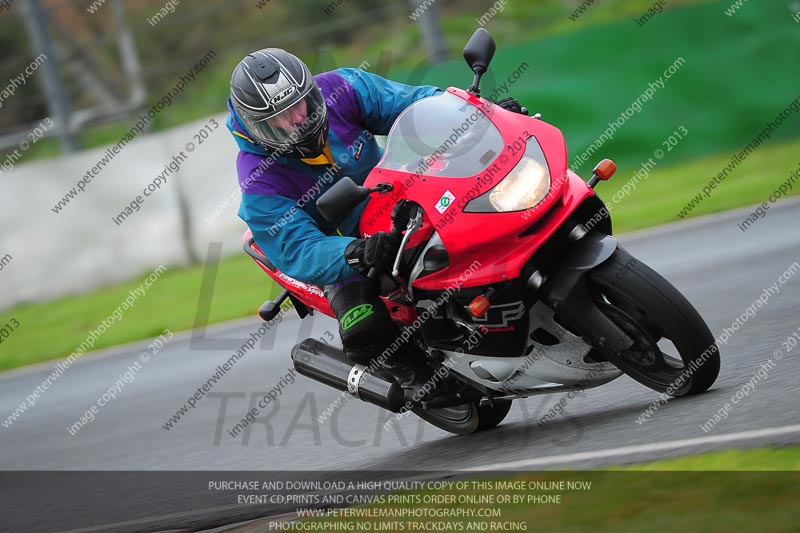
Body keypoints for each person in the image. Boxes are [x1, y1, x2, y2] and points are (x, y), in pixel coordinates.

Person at [227, 48, 522, 396]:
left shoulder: (342, 88)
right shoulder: (257, 178)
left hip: (397, 197)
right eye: (281, 117)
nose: (297, 119)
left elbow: (416, 106)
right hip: (345, 248)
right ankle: (418, 380)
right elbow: (297, 247)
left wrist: (477, 116)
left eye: (299, 105)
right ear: (256, 126)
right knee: (362, 326)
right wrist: (354, 252)